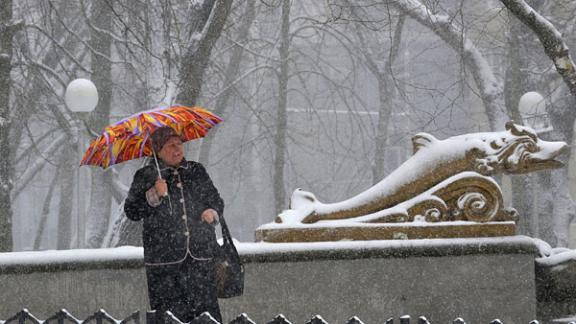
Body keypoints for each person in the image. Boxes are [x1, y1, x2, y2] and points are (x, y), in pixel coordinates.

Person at [124, 126, 224, 323]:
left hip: (200, 261)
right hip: (164, 267)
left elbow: (216, 201)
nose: (177, 149)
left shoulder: (196, 171)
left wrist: (212, 212)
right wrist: (154, 194)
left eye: (179, 144)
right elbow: (132, 211)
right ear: (158, 150)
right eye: (171, 146)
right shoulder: (146, 175)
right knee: (170, 318)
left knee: (207, 317)